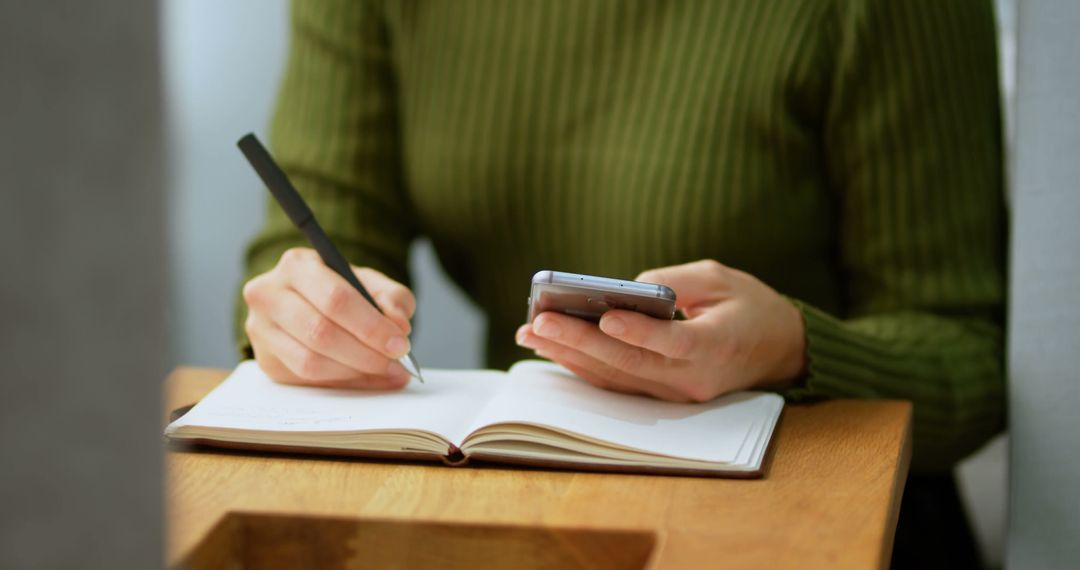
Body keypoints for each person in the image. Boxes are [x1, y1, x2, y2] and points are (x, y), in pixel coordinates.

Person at [238, 1, 1004, 567]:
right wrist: (305, 315)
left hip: (813, 525)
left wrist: (793, 351)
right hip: (512, 508)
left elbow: (973, 349)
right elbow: (313, 236)